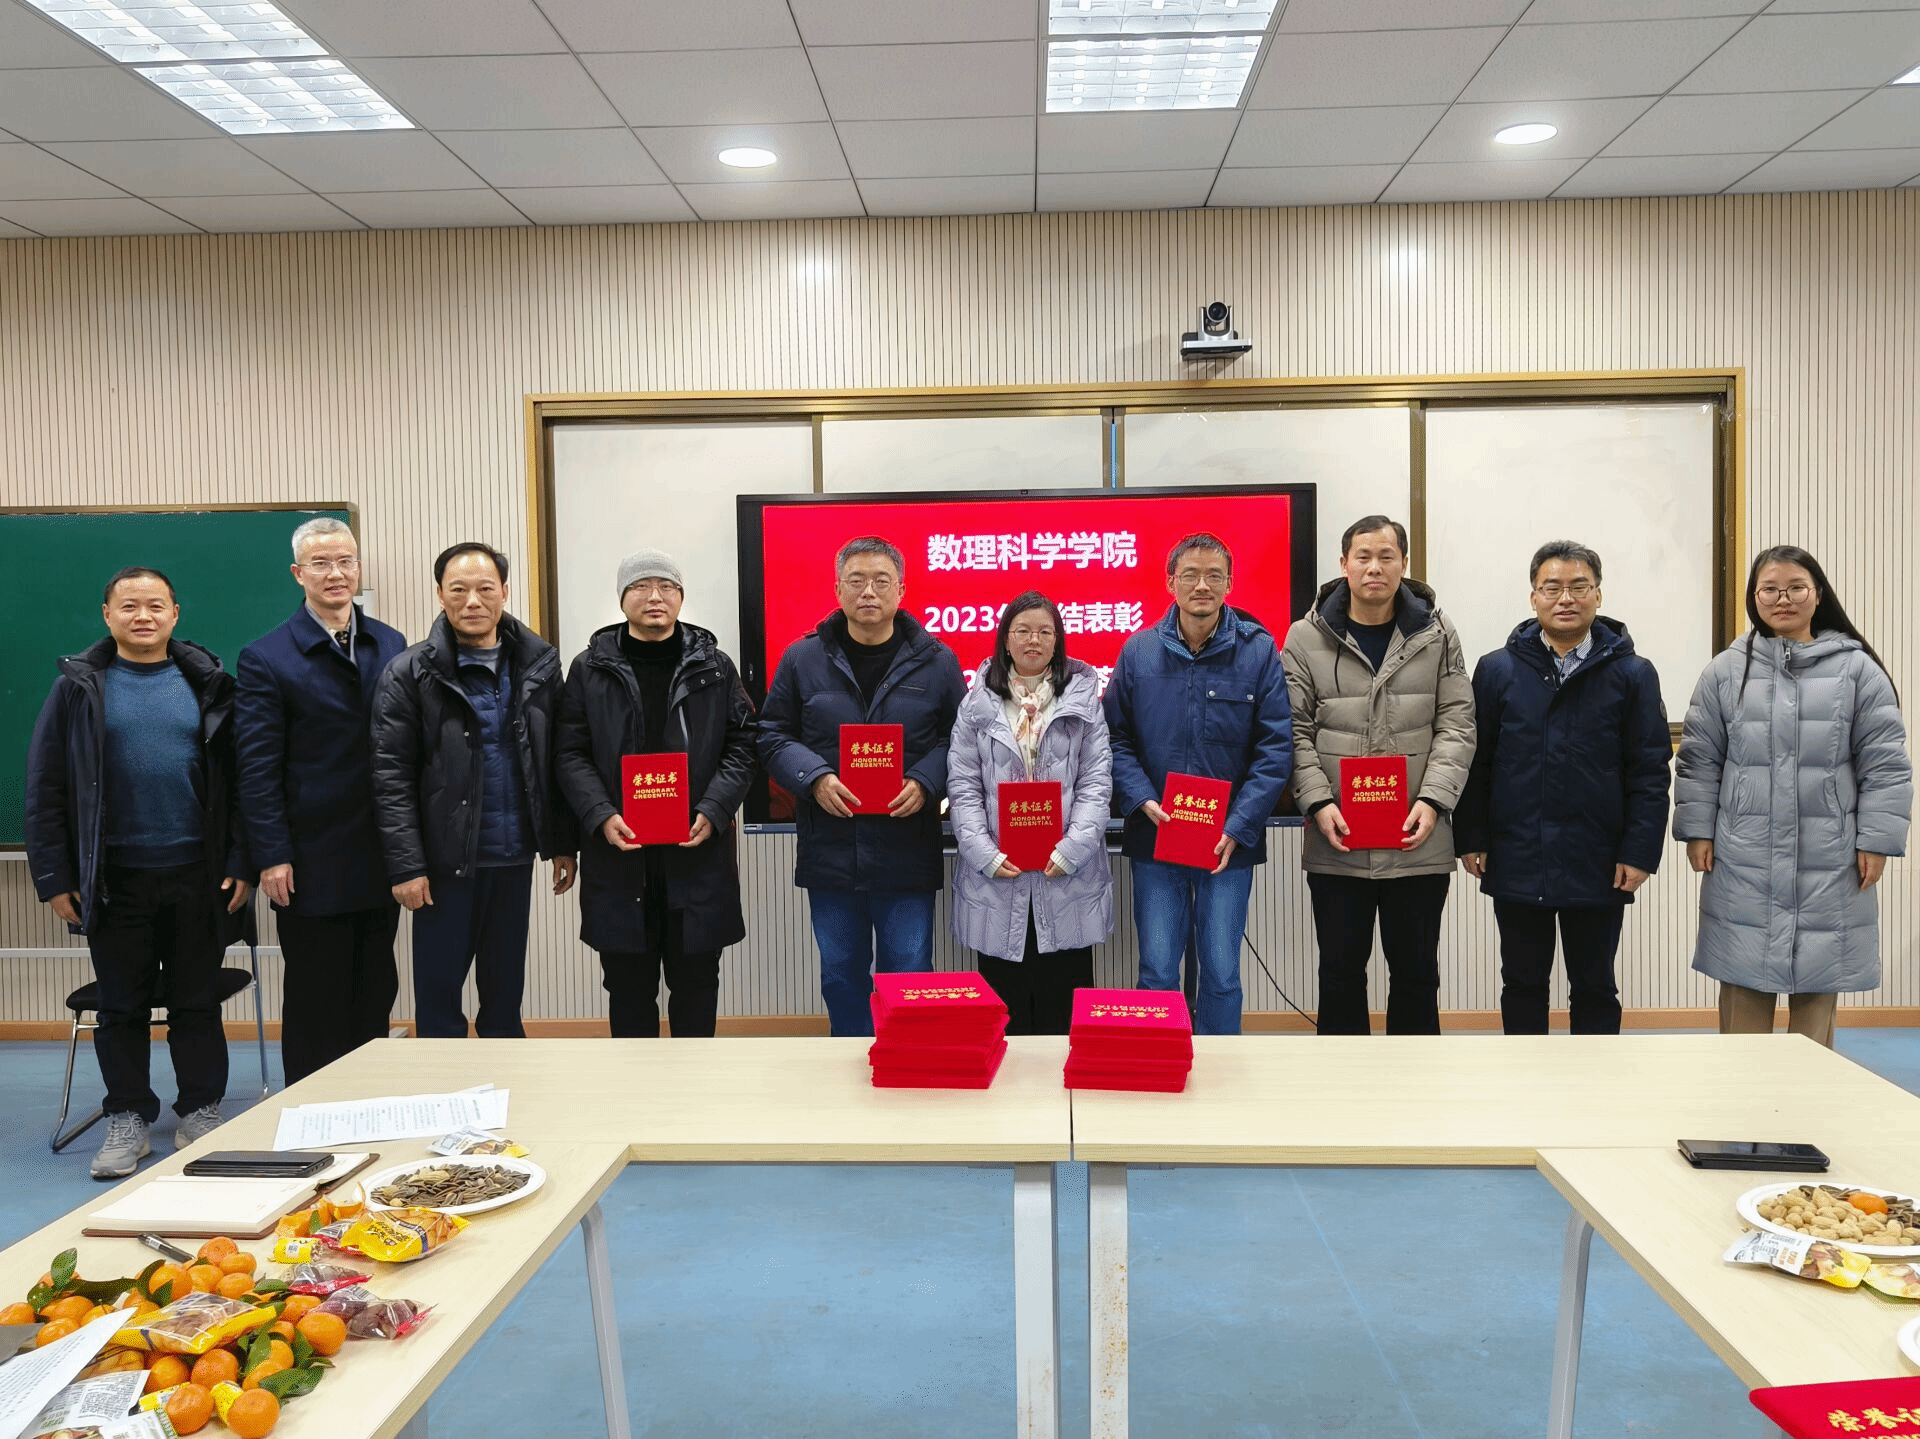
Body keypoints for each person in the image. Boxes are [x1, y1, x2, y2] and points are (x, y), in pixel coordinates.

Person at [24, 567, 252, 1178]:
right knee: (120, 1008)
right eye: (129, 606)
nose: (143, 616)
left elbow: (238, 787)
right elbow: (45, 786)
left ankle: (201, 1110)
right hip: (112, 880)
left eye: (155, 605)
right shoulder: (76, 690)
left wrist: (241, 862)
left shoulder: (210, 685)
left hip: (198, 875)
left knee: (196, 1003)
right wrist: (54, 877)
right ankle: (128, 1117)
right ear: (108, 615)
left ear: (175, 613)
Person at [1673, 546, 1911, 1048]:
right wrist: (1697, 831)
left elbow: (1885, 765)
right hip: (1743, 853)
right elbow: (1699, 760)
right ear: (1753, 598)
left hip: (1830, 855)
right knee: (1742, 984)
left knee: (1818, 988)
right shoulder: (1725, 671)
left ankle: (1810, 1093)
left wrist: (1876, 840)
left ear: (1817, 593)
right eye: (1770, 589)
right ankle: (1743, 1091)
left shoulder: (1857, 671)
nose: (1783, 599)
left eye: (1796, 587)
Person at [1454, 540, 1672, 1035]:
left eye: (1579, 587)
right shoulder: (1497, 670)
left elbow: (1649, 771)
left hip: (1599, 858)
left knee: (1595, 985)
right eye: (1552, 588)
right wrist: (1472, 837)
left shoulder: (1633, 673)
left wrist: (1640, 852)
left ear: (1598, 594)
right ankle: (1525, 1077)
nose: (1566, 598)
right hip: (1517, 854)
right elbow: (1476, 762)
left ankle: (1592, 1080)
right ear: (1533, 597)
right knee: (1522, 983)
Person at [757, 536, 965, 1037]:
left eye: (881, 581)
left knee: (909, 972)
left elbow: (961, 737)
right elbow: (771, 734)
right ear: (837, 589)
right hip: (831, 847)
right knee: (841, 974)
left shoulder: (937, 660)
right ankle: (848, 1063)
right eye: (856, 580)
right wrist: (813, 777)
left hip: (906, 846)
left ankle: (905, 1062)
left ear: (901, 590)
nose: (868, 591)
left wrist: (927, 780)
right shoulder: (802, 658)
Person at [370, 542, 577, 1039]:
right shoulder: (410, 671)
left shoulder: (539, 665)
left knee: (505, 995)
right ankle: (444, 1083)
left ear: (505, 591)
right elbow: (390, 774)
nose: (473, 601)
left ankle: (507, 1078)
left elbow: (556, 758)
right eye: (458, 590)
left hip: (512, 855)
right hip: (443, 864)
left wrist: (562, 843)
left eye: (485, 589)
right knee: (439, 998)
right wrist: (407, 865)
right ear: (440, 595)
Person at [1282, 515, 1475, 1036]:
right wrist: (1318, 802)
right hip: (1338, 838)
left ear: (1404, 564)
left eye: (1386, 556)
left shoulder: (1436, 632)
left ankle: (1413, 1080)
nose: (1374, 567)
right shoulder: (1305, 636)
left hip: (1417, 838)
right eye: (1363, 556)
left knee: (1417, 974)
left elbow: (1457, 722)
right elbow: (1293, 729)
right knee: (1339, 974)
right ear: (1343, 564)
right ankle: (1343, 1082)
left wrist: (1433, 800)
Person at [556, 550, 757, 1038]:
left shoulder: (714, 666)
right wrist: (600, 813)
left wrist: (715, 807)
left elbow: (744, 744)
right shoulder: (589, 669)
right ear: (622, 598)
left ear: (681, 597)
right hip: (620, 855)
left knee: (696, 986)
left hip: (696, 852)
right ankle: (634, 1083)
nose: (654, 596)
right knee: (627, 990)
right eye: (640, 586)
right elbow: (569, 752)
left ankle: (694, 1084)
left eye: (666, 587)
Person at [235, 517, 407, 1084]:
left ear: (359, 567)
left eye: (345, 561)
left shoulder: (391, 643)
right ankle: (311, 1108)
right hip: (310, 857)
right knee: (317, 994)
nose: (336, 573)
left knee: (376, 986)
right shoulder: (266, 657)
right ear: (298, 573)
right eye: (321, 563)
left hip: (379, 851)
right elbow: (256, 768)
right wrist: (271, 854)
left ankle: (368, 1098)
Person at [1105, 533, 1292, 1036]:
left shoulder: (1258, 652)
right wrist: (1141, 797)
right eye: (1190, 574)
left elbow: (1275, 749)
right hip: (1156, 836)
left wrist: (1239, 824)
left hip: (1227, 844)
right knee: (1157, 970)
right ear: (1171, 582)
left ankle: (1219, 1069)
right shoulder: (1139, 651)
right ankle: (1160, 1063)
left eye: (1214, 575)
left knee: (1222, 973)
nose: (1202, 585)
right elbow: (1114, 737)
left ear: (1230, 583)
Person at [947, 592, 1114, 1034]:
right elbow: (963, 786)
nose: (1033, 640)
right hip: (1000, 875)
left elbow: (1096, 783)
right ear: (1005, 639)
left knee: (1064, 1014)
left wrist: (1072, 850)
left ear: (1058, 641)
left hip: (1067, 875)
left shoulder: (1083, 702)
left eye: (1044, 631)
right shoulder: (976, 705)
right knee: (1007, 1015)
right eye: (1022, 631)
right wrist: (983, 854)